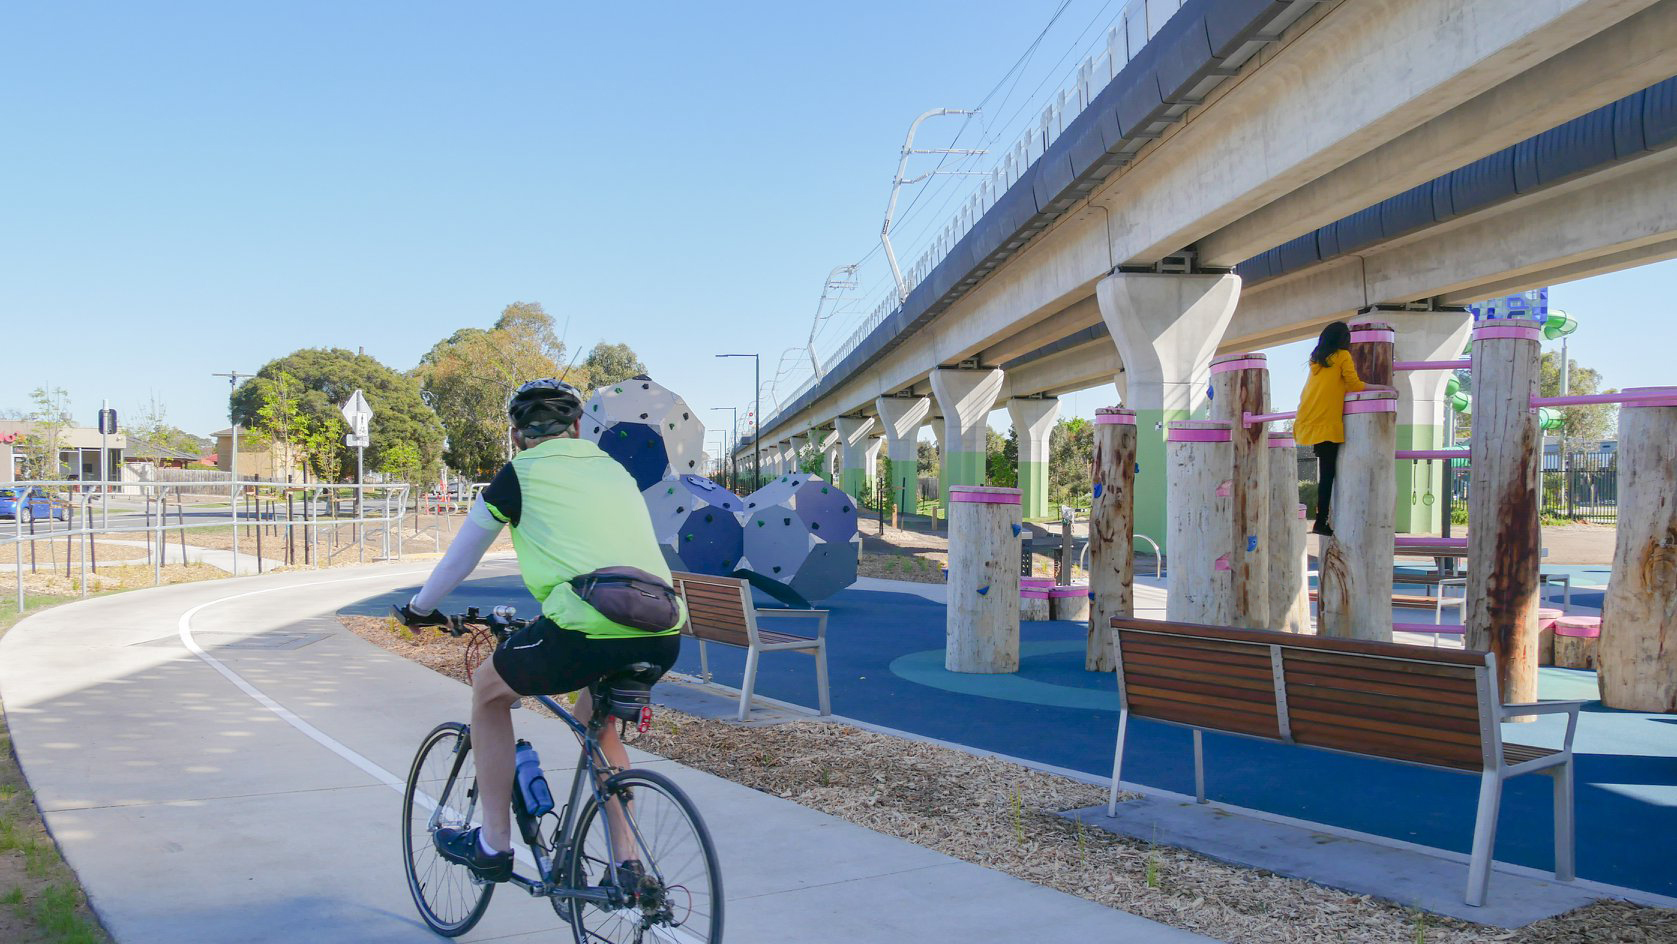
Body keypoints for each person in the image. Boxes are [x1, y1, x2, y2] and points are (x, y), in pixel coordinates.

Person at [394, 378, 681, 882]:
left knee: (488, 691)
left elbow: (459, 562)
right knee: (599, 719)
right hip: (662, 626)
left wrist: (420, 610)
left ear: (517, 435)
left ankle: (493, 844)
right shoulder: (615, 470)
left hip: (584, 624)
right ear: (576, 429)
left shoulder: (517, 474)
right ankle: (627, 864)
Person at [1294, 321, 1365, 536]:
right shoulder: (1343, 356)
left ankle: (1321, 519)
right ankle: (1321, 521)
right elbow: (1354, 385)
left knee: (1325, 474)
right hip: (1327, 422)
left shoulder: (1317, 360)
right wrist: (1384, 388)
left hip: (1310, 417)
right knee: (1328, 475)